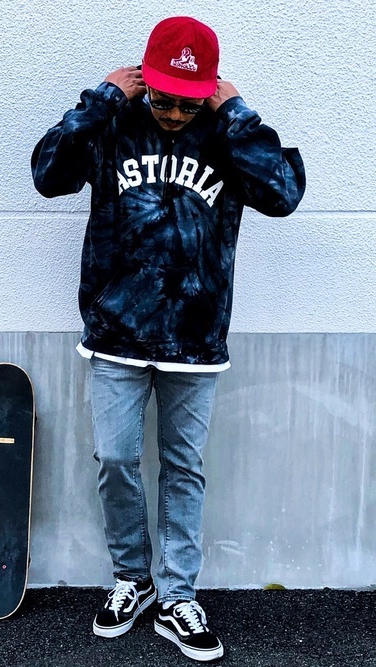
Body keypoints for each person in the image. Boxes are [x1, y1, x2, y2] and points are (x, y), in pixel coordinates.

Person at [32, 16, 305, 662]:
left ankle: (179, 595)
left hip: (195, 338)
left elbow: (284, 192)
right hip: (117, 334)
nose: (175, 112)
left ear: (208, 90)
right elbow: (47, 173)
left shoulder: (226, 133)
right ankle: (133, 578)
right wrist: (101, 99)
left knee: (184, 468)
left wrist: (237, 113)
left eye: (189, 101)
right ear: (145, 81)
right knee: (116, 458)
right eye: (164, 99)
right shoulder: (114, 124)